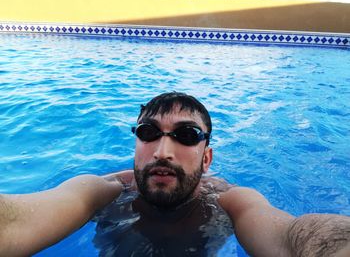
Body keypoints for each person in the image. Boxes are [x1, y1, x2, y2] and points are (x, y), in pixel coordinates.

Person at [0, 92, 349, 257]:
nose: (163, 151)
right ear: (137, 145)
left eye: (186, 136)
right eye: (149, 133)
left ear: (207, 157)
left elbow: (290, 236)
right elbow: (14, 223)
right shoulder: (101, 192)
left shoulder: (229, 202)